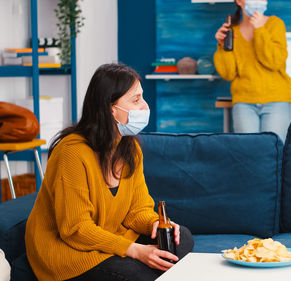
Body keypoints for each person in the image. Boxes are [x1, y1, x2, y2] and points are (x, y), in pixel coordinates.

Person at [25, 64, 194, 281]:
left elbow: (137, 210)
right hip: (69, 251)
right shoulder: (72, 153)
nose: (144, 107)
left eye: (142, 98)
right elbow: (76, 229)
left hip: (109, 237)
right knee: (137, 272)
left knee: (183, 238)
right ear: (110, 108)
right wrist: (134, 250)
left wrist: (156, 223)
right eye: (135, 100)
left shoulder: (130, 148)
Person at [213, 0, 291, 143]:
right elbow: (228, 73)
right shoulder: (233, 31)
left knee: (274, 152)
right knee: (247, 153)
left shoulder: (275, 24)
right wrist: (222, 46)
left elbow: (274, 62)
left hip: (276, 100)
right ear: (239, 1)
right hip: (244, 102)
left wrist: (259, 30)